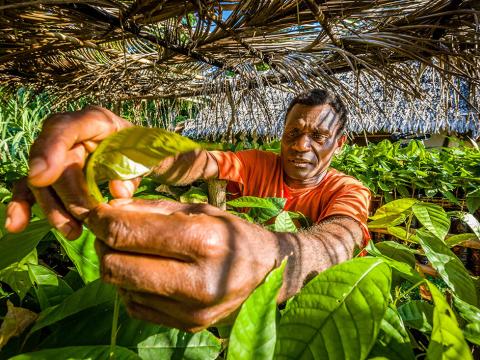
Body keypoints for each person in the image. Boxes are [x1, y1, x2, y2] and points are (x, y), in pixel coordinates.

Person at [5, 89, 370, 332]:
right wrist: (132, 144)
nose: (301, 146)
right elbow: (200, 162)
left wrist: (268, 259)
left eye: (318, 137)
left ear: (339, 144)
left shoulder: (348, 190)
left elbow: (338, 243)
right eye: (293, 133)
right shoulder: (260, 163)